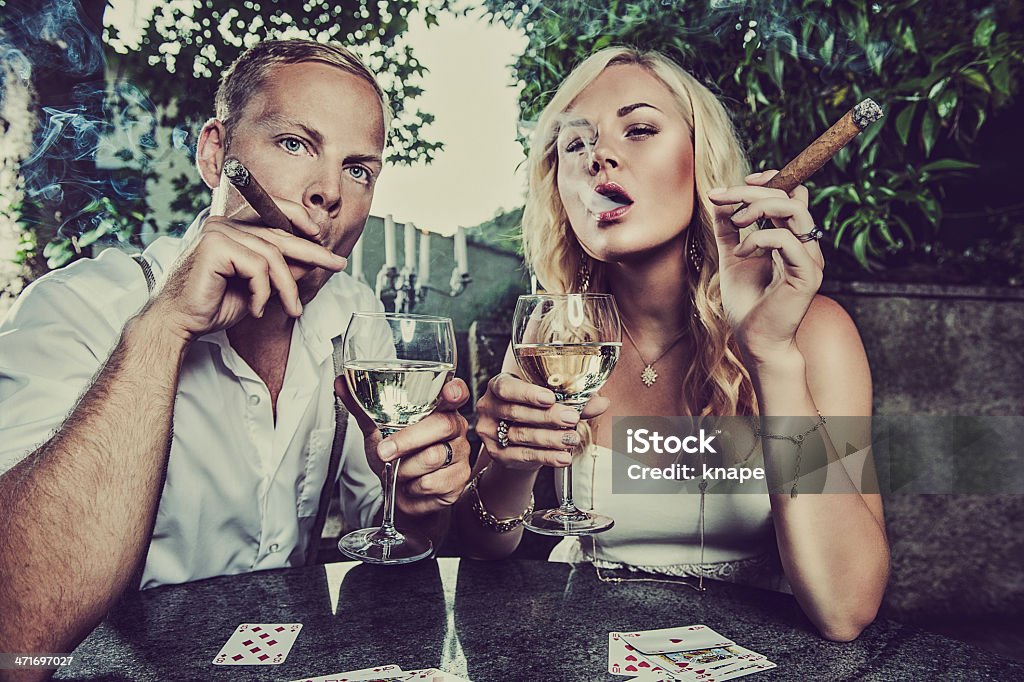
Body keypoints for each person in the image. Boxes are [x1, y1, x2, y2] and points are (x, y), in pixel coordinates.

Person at [0, 39, 471, 658]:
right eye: (294, 144)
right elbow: (16, 631)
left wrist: (415, 503)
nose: (329, 191)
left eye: (358, 169)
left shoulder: (355, 316)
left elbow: (378, 541)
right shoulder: (76, 308)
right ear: (216, 153)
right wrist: (163, 330)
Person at [454, 46, 889, 642]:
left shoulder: (815, 334)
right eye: (575, 144)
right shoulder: (553, 340)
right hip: (583, 651)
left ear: (700, 160)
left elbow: (846, 609)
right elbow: (481, 548)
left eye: (639, 130)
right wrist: (509, 464)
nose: (600, 155)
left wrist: (771, 357)